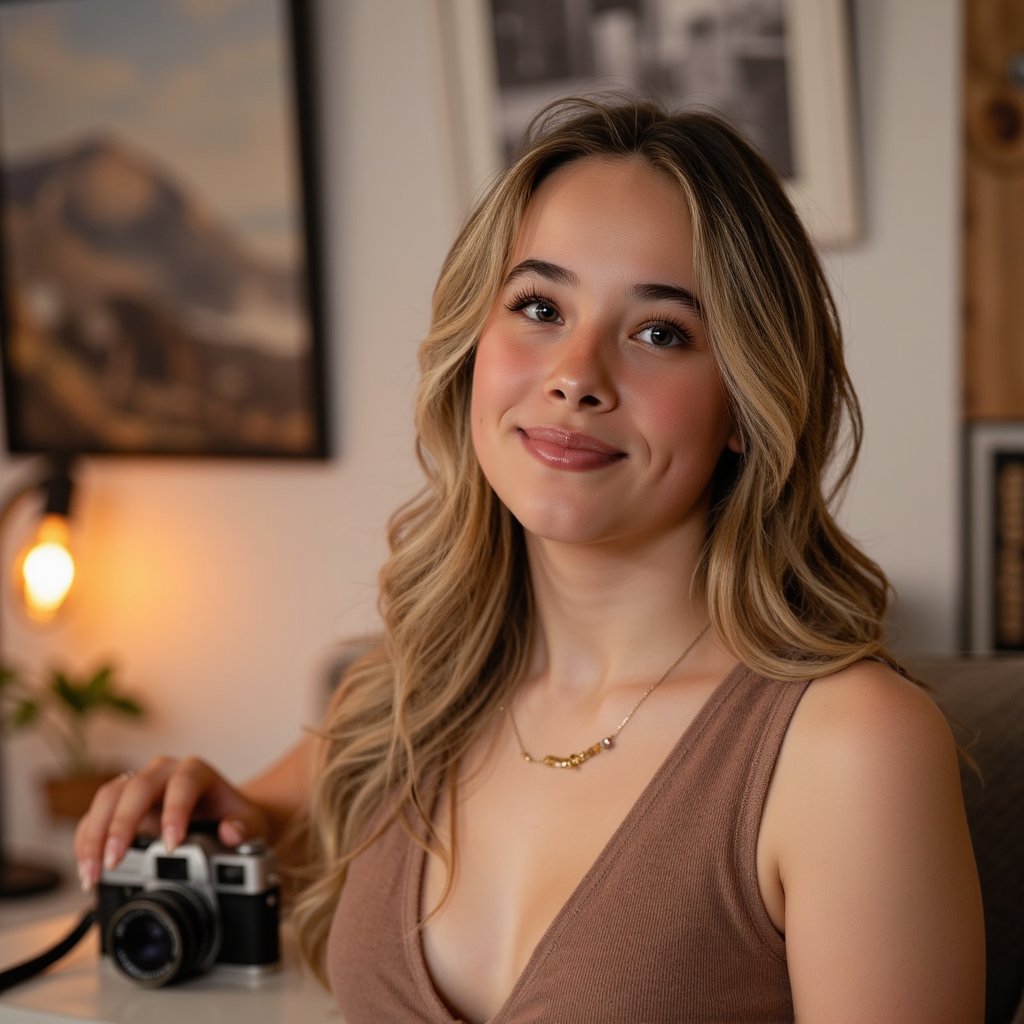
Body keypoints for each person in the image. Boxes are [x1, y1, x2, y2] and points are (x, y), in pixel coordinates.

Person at [75, 97, 985, 1022]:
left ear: (748, 404)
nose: (576, 375)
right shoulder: (406, 691)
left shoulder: (852, 749)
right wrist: (204, 808)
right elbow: (260, 816)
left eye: (660, 332)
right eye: (540, 307)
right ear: (475, 348)